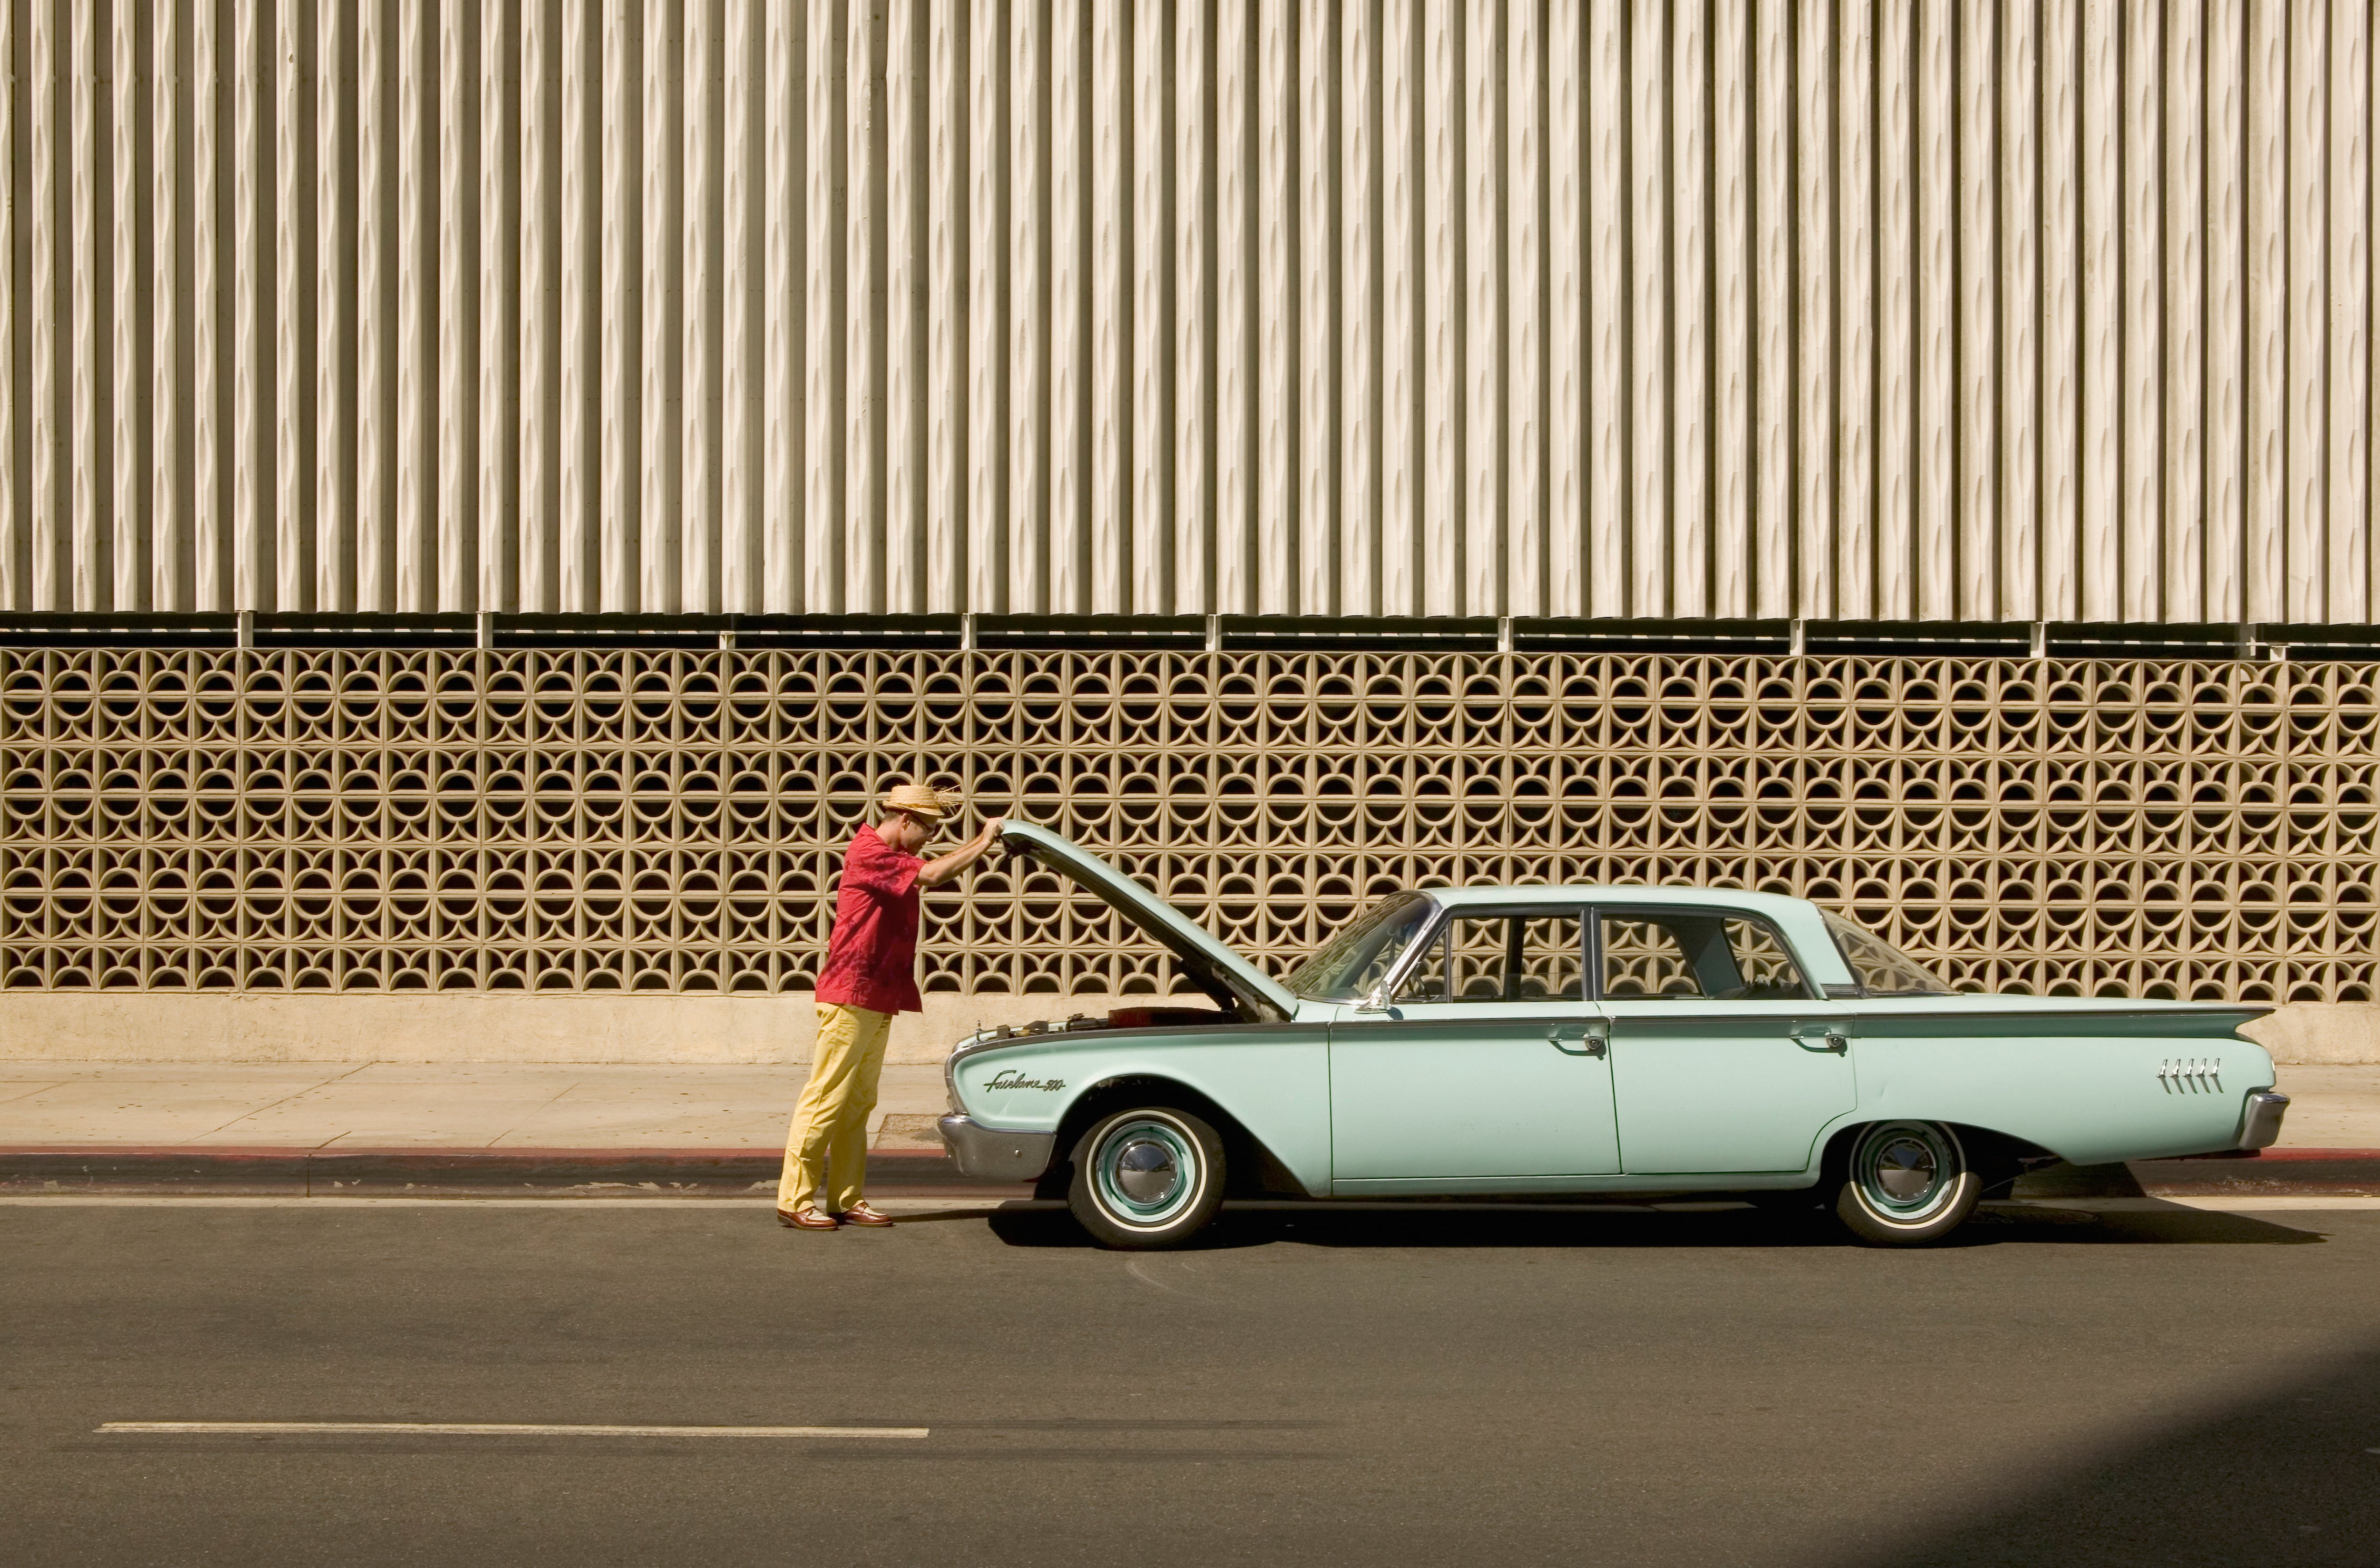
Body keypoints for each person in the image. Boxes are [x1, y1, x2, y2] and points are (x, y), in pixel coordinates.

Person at [777, 783, 1003, 1230]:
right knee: (824, 1099)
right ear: (905, 820)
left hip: (878, 994)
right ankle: (794, 1199)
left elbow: (927, 867)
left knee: (857, 1103)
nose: (928, 839)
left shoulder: (893, 856)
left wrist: (980, 841)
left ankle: (846, 1197)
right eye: (928, 829)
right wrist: (985, 840)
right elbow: (934, 875)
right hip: (850, 994)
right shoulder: (868, 851)